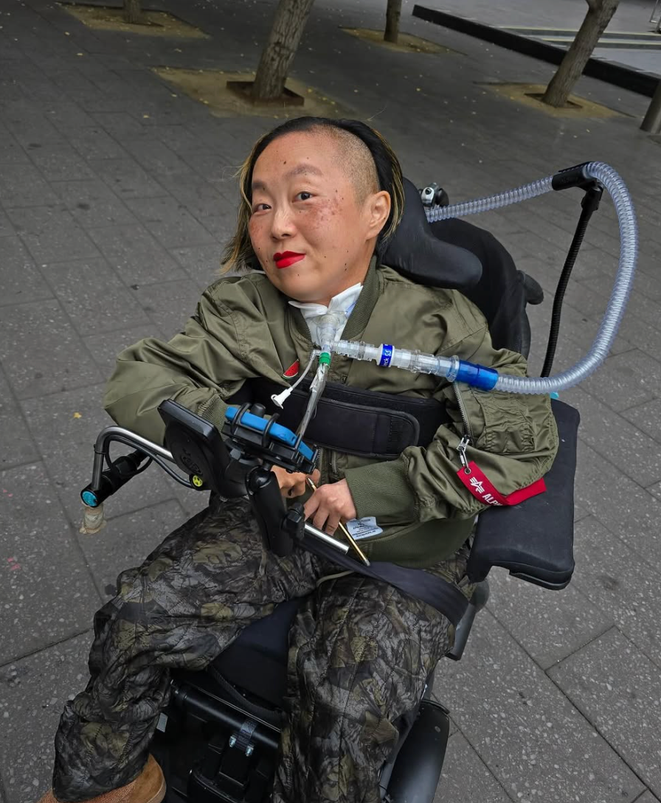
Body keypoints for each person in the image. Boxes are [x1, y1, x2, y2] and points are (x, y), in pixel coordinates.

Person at [39, 117, 558, 803]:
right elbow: (143, 380)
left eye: (304, 197)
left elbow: (521, 442)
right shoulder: (246, 309)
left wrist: (373, 490)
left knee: (344, 703)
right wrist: (237, 439)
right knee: (137, 616)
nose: (277, 224)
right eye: (261, 203)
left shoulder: (440, 325)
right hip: (277, 519)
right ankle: (112, 784)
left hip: (402, 549)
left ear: (377, 212)